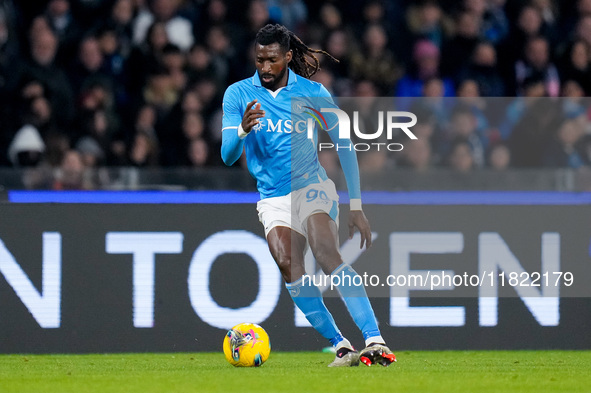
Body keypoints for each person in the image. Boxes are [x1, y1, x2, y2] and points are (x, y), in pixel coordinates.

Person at [220, 24, 395, 367]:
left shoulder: (313, 93)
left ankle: (375, 340)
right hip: (272, 195)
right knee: (289, 266)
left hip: (311, 185)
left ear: (287, 57)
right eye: (259, 60)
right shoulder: (238, 94)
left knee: (326, 251)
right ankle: (341, 345)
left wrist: (355, 204)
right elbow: (227, 156)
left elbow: (343, 145)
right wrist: (241, 129)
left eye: (272, 60)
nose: (265, 67)